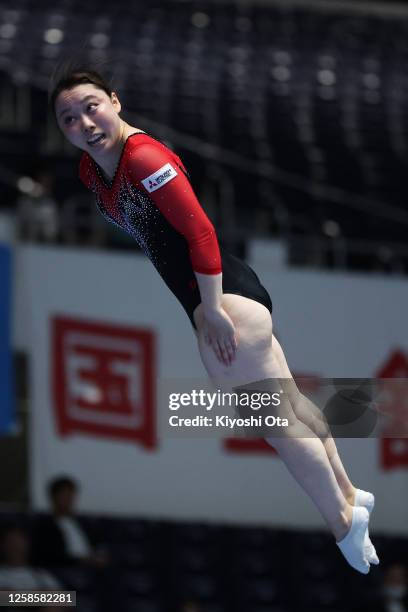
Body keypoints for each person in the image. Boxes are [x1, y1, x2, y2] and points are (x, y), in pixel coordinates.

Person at [49, 61, 379, 574]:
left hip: (222, 298)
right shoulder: (92, 169)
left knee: (272, 421)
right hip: (219, 295)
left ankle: (341, 521)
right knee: (287, 402)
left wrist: (213, 309)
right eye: (68, 118)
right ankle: (350, 492)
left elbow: (200, 231)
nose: (84, 123)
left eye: (91, 107)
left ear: (115, 101)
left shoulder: (144, 156)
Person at [31, 476, 109, 569]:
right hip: (68, 569)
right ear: (53, 497)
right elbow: (50, 556)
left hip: (93, 568)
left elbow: (98, 544)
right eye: (64, 495)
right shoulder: (45, 526)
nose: (69, 499)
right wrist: (83, 560)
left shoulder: (84, 524)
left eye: (71, 495)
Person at [0, 524, 61, 612]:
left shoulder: (41, 574)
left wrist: (17, 594)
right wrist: (40, 594)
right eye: (11, 542)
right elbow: (4, 597)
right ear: (3, 546)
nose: (16, 547)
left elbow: (63, 599)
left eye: (19, 542)